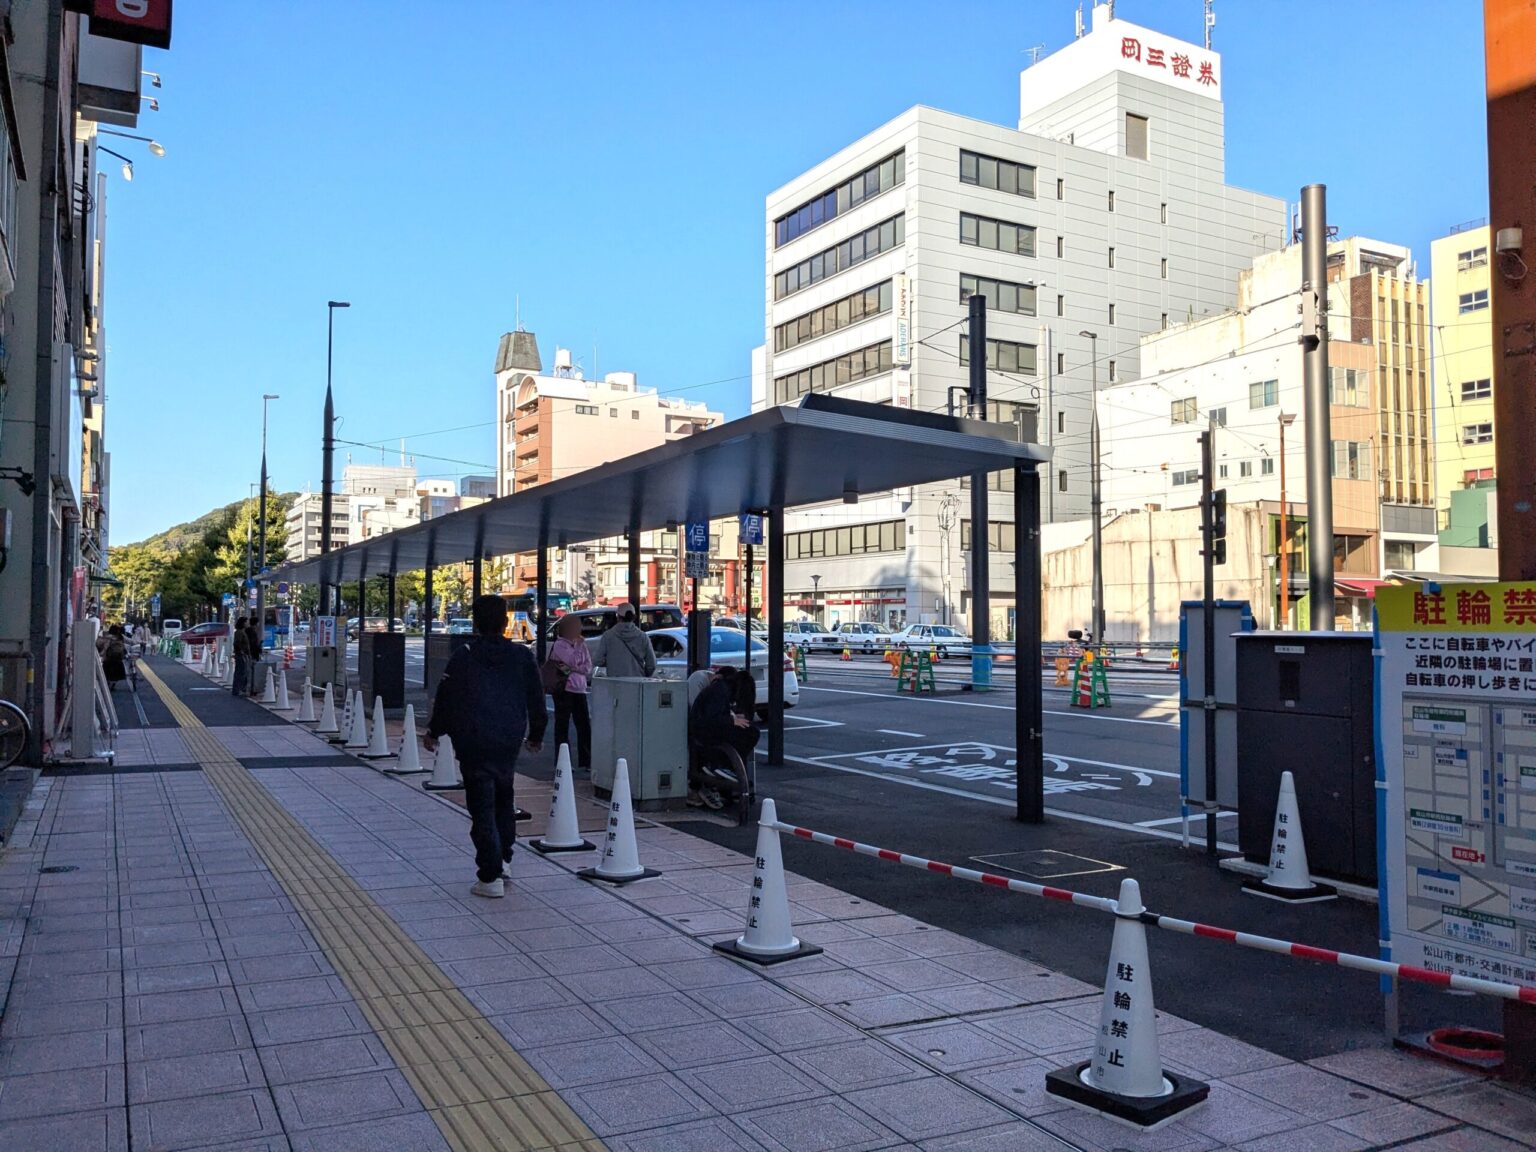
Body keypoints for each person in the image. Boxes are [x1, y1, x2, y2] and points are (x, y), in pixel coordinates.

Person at [426, 594, 547, 899]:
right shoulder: (521, 656)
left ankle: (489, 874)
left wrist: (434, 732)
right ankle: (504, 859)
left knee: (481, 807)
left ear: (476, 623)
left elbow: (446, 698)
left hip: (473, 739)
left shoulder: (464, 655)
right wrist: (536, 735)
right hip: (508, 739)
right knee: (504, 798)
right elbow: (536, 697)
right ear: (506, 622)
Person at [687, 666, 758, 810]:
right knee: (750, 733)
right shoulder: (721, 691)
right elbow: (711, 718)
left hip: (703, 731)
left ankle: (723, 768)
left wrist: (732, 718)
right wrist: (732, 720)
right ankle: (722, 765)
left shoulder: (720, 688)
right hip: (704, 733)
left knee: (747, 731)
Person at [546, 614, 593, 773]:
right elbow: (574, 662)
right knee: (562, 725)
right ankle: (562, 760)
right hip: (564, 688)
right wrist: (578, 652)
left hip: (579, 688)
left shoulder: (582, 645)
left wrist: (575, 667)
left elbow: (588, 667)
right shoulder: (561, 645)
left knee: (584, 725)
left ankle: (586, 760)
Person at [593, 603, 657, 679]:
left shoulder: (608, 636)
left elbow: (597, 660)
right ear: (634, 617)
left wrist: (612, 662)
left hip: (615, 682)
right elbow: (652, 665)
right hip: (637, 682)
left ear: (618, 617)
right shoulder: (643, 636)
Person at [97, 624, 128, 691]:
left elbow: (105, 647)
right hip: (118, 659)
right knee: (117, 675)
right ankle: (113, 685)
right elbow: (130, 641)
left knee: (107, 674)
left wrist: (101, 654)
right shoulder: (120, 637)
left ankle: (107, 684)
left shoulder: (108, 638)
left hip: (109, 659)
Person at [231, 617, 252, 696]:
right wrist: (242, 652)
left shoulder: (241, 632)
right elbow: (237, 643)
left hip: (242, 654)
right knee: (241, 672)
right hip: (241, 655)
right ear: (243, 623)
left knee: (241, 672)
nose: (248, 624)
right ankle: (239, 690)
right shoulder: (239, 632)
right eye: (246, 622)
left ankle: (238, 689)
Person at [245, 616, 264, 697]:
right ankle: (251, 690)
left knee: (250, 672)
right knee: (252, 673)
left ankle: (248, 689)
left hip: (249, 654)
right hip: (252, 654)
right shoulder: (252, 632)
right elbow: (253, 644)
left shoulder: (248, 631)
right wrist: (259, 647)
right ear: (256, 623)